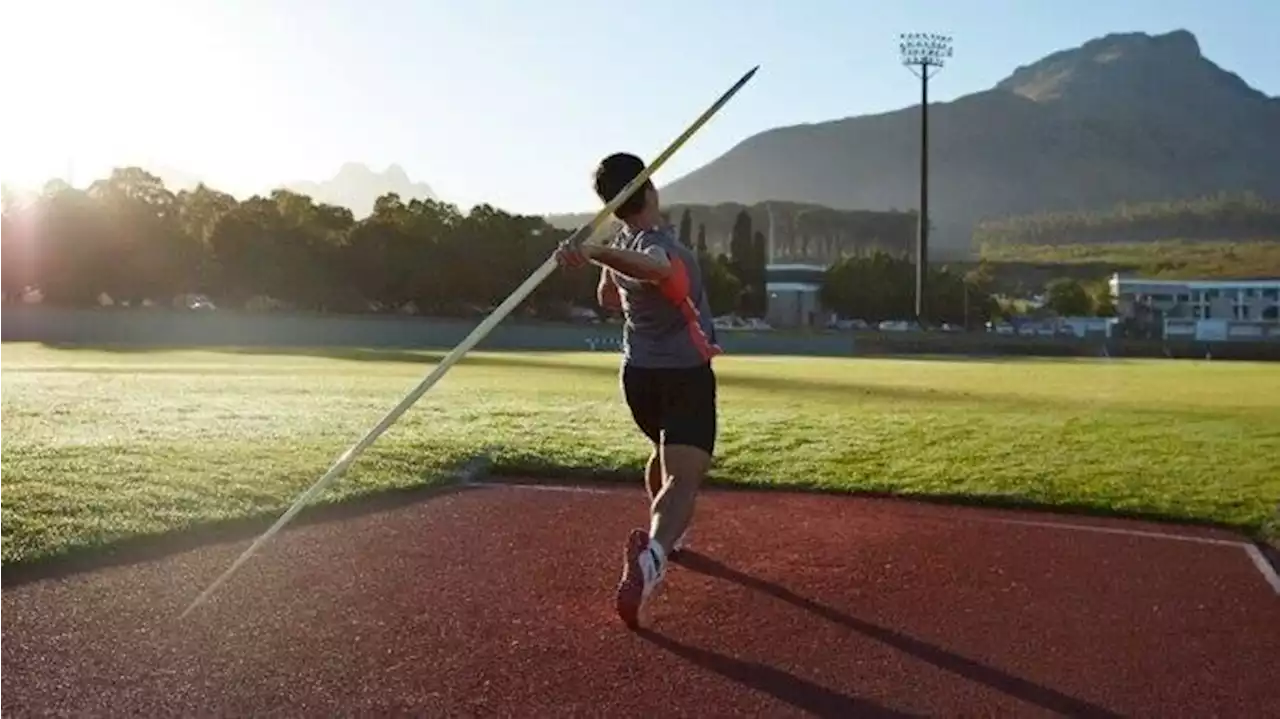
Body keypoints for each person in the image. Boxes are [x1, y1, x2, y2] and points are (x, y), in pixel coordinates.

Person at [554, 152, 721, 629]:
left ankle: (666, 536)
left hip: (638, 376)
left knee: (663, 452)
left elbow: (608, 297)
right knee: (684, 479)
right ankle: (653, 559)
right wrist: (595, 253)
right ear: (649, 189)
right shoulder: (656, 244)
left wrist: (599, 255)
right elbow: (658, 269)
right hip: (684, 374)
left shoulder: (623, 239)